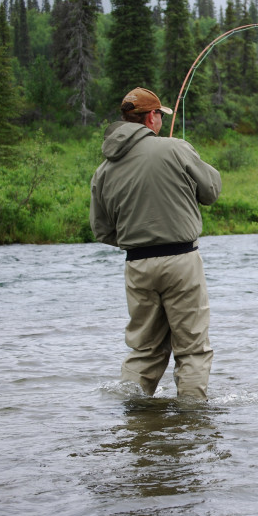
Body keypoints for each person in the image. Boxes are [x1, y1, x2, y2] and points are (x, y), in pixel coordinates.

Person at [90, 87, 222, 399]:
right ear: (152, 117)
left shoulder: (104, 168)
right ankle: (191, 422)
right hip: (181, 262)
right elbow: (211, 191)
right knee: (191, 351)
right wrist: (185, 154)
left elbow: (101, 229)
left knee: (144, 352)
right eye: (159, 115)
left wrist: (136, 239)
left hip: (136, 265)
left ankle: (133, 421)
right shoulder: (175, 148)